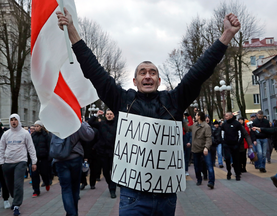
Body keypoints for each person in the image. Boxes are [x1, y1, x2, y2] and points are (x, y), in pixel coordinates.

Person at [56, 8, 240, 215]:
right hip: (132, 196)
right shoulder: (122, 100)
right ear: (135, 81)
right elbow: (93, 69)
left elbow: (200, 71)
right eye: (142, 72)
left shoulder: (173, 101)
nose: (148, 76)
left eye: (153, 73)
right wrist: (71, 30)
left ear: (159, 81)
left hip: (166, 196)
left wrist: (227, 35)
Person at [53, 121, 94, 216]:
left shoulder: (55, 120)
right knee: (75, 188)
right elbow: (90, 135)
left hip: (60, 158)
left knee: (66, 188)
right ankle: (73, 213)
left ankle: (71, 213)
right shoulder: (75, 121)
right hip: (75, 157)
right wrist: (82, 121)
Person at [0, 114, 37, 216]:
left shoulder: (25, 133)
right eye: (11, 120)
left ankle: (16, 205)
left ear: (18, 121)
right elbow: (1, 149)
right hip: (7, 163)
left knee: (18, 184)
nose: (13, 122)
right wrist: (1, 162)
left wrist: (34, 162)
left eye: (15, 120)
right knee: (9, 184)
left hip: (20, 162)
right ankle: (15, 197)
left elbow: (31, 148)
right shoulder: (6, 134)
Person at [252, 110, 277, 189]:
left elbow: (274, 130)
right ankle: (276, 177)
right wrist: (260, 129)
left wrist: (260, 129)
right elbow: (273, 130)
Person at [88, 109, 117, 198]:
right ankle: (110, 183)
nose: (109, 115)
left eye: (111, 114)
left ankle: (112, 189)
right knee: (105, 172)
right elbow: (90, 122)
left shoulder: (117, 123)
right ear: (105, 115)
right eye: (107, 114)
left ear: (113, 115)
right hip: (103, 152)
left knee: (114, 172)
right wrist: (96, 115)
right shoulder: (101, 124)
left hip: (113, 152)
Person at [221, 113, 252, 181]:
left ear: (231, 116)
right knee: (227, 159)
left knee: (236, 160)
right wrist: (224, 142)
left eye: (227, 116)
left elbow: (241, 134)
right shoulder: (224, 124)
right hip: (227, 145)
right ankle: (229, 172)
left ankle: (237, 174)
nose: (225, 117)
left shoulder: (237, 124)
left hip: (235, 145)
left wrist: (238, 144)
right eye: (225, 116)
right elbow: (222, 134)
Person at [191, 111, 214, 189]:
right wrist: (183, 119)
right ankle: (199, 179)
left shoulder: (206, 126)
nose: (195, 116)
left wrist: (206, 147)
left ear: (199, 116)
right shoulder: (194, 125)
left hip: (204, 149)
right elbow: (187, 128)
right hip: (195, 149)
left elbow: (208, 138)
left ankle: (211, 182)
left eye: (196, 115)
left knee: (209, 165)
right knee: (196, 166)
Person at [31, 120, 52, 197]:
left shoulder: (46, 135)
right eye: (35, 126)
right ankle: (36, 191)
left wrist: (49, 157)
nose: (36, 128)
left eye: (38, 126)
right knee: (34, 175)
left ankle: (47, 183)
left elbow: (49, 146)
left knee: (44, 174)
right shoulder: (33, 136)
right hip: (35, 159)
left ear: (41, 127)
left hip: (44, 158)